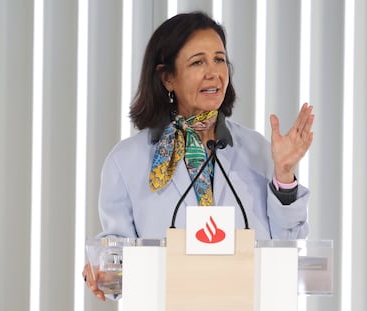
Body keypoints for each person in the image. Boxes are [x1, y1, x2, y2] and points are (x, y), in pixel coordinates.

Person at [83, 11, 314, 302]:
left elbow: (288, 247)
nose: (213, 72)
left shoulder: (258, 150)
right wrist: (104, 269)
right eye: (198, 62)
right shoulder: (126, 161)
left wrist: (284, 173)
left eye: (219, 59)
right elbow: (116, 249)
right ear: (168, 78)